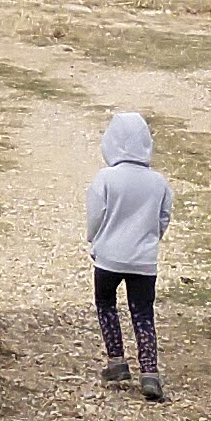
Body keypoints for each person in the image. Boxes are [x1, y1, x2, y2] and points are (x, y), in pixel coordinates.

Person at [85, 111, 175, 400]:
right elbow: (164, 217)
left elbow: (95, 215)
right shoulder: (158, 181)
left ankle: (116, 361)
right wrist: (151, 239)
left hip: (109, 257)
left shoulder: (106, 178)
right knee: (143, 312)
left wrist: (94, 239)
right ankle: (149, 372)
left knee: (106, 303)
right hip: (144, 261)